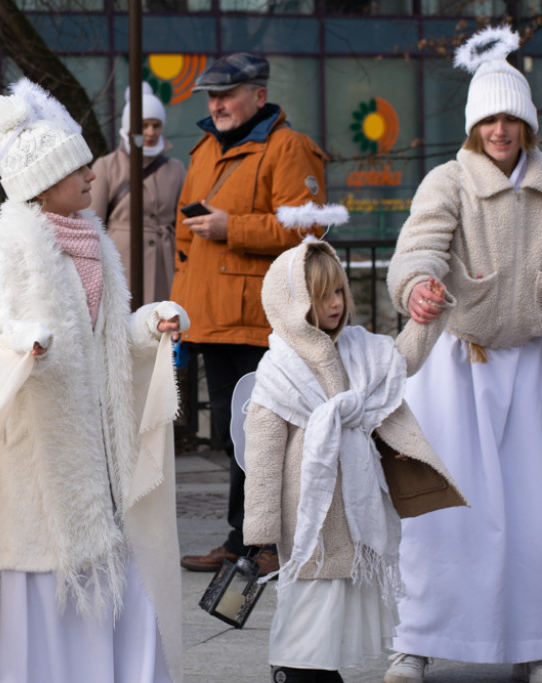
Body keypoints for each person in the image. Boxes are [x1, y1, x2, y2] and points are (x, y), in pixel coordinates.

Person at [0, 78, 187, 682]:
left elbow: (103, 341)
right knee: (51, 572)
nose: (92, 176)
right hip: (41, 450)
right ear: (44, 184)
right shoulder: (10, 245)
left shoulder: (94, 242)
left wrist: (149, 325)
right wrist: (26, 339)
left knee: (113, 562)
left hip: (95, 446)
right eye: (78, 168)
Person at [384, 25, 542, 683]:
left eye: (511, 118)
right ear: (475, 126)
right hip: (457, 362)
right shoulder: (446, 180)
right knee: (441, 507)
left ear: (526, 124)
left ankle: (530, 640)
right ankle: (413, 639)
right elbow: (419, 246)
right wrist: (419, 286)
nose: (500, 131)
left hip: (530, 362)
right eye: (488, 120)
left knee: (531, 510)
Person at [242, 232, 467, 683]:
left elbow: (400, 362)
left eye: (339, 291)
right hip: (308, 511)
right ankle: (295, 669)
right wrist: (261, 529)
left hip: (354, 501)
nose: (335, 304)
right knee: (310, 592)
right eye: (321, 296)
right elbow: (264, 454)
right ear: (293, 302)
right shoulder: (279, 369)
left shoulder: (360, 348)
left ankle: (320, 668)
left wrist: (424, 321)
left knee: (340, 593)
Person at [171, 52, 328, 576]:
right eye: (211, 97)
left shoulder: (288, 148)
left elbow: (309, 229)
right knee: (234, 437)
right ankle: (243, 541)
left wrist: (232, 228)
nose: (216, 105)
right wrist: (179, 310)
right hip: (213, 322)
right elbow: (184, 244)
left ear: (258, 96)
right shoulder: (203, 150)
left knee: (266, 436)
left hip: (263, 321)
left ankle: (268, 545)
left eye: (226, 95)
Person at [90, 82, 187, 304]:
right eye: (143, 125)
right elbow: (92, 224)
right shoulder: (107, 166)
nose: (150, 132)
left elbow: (183, 223)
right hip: (122, 261)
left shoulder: (176, 169)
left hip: (165, 264)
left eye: (156, 125)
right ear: (129, 126)